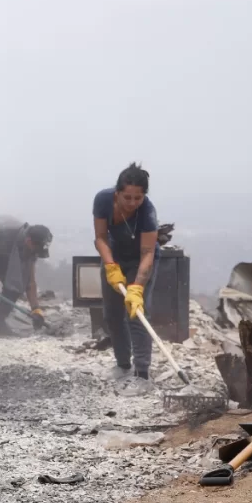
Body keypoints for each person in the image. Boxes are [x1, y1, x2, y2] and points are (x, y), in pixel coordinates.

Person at [93, 162, 159, 397]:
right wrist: (111, 266)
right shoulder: (103, 200)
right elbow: (100, 237)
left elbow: (148, 252)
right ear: (117, 192)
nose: (132, 203)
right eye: (127, 197)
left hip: (140, 261)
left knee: (136, 313)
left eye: (137, 198)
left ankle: (142, 374)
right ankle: (122, 365)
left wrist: (137, 287)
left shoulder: (147, 213)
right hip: (114, 257)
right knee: (112, 314)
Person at [0, 216, 52, 336]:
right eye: (36, 250)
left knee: (16, 286)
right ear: (29, 241)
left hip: (5, 254)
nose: (35, 254)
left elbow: (30, 281)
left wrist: (36, 309)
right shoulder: (2, 231)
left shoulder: (30, 248)